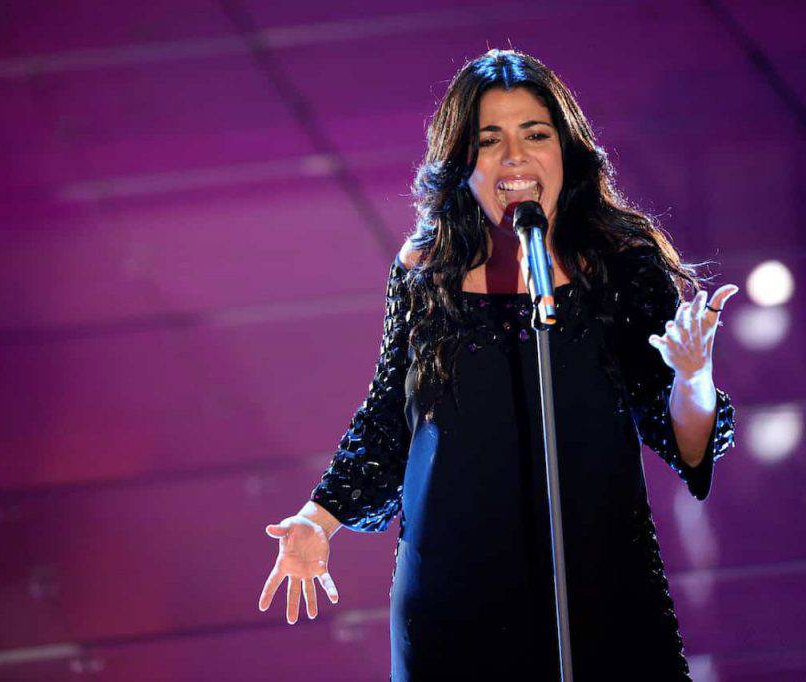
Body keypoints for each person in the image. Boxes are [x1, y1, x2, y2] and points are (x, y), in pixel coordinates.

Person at [257, 49, 738, 681]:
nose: (515, 157)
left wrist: (694, 376)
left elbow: (682, 436)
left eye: (535, 134)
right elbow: (390, 416)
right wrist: (317, 521)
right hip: (455, 590)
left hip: (596, 580)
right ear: (463, 164)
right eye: (490, 140)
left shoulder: (621, 263)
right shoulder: (428, 270)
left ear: (566, 149)